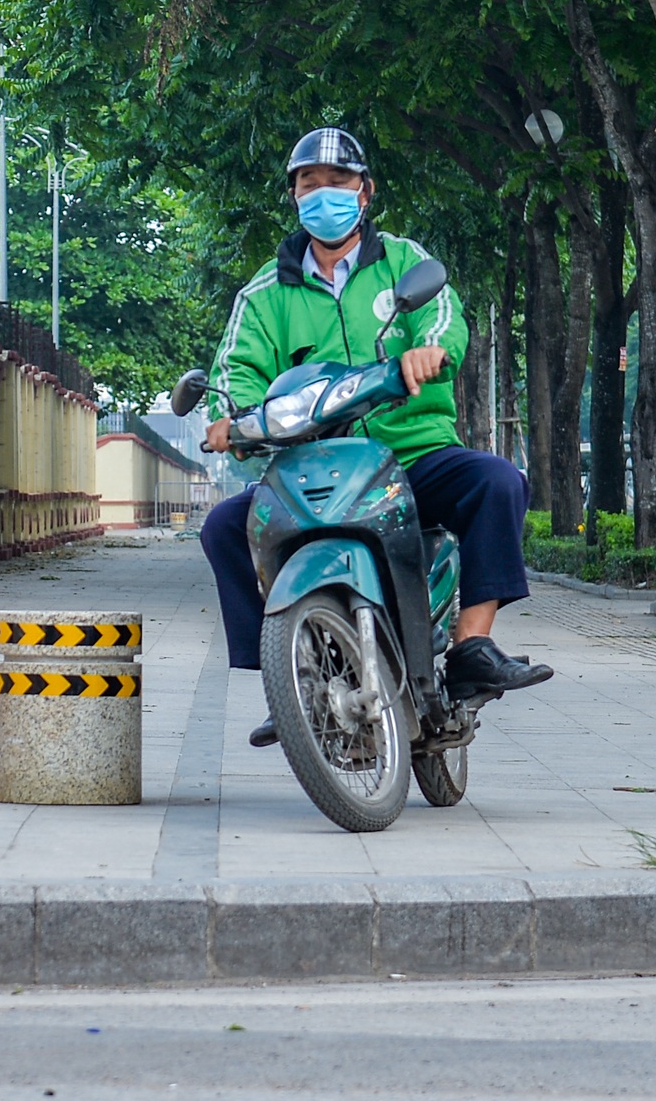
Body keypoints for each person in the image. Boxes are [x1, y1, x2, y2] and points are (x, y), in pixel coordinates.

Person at [201, 127, 550, 747]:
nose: (324, 194)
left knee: (498, 482)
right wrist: (231, 419)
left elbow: (443, 314)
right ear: (294, 196)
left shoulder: (402, 262)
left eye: (338, 182)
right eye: (311, 184)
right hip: (310, 464)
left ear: (365, 193)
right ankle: (290, 677)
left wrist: (429, 351)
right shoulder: (263, 292)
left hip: (410, 453)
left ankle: (472, 643)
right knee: (225, 527)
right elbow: (236, 371)